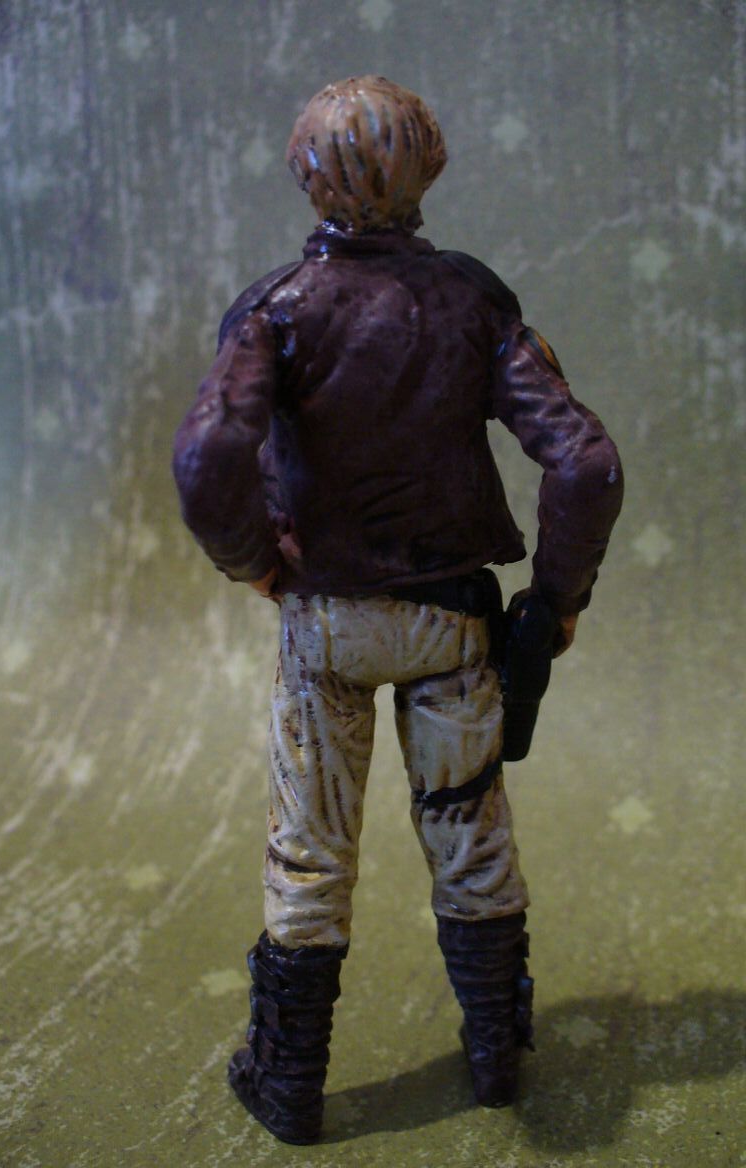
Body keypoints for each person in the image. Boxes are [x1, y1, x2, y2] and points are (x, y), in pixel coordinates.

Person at [172, 75, 623, 1145]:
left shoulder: (275, 308)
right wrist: (555, 601)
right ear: (432, 168)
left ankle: (289, 1079)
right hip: (450, 621)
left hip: (324, 621)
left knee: (308, 849)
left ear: (304, 175)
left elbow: (207, 452)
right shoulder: (474, 303)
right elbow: (585, 463)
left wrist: (255, 563)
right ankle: (496, 1057)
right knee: (470, 836)